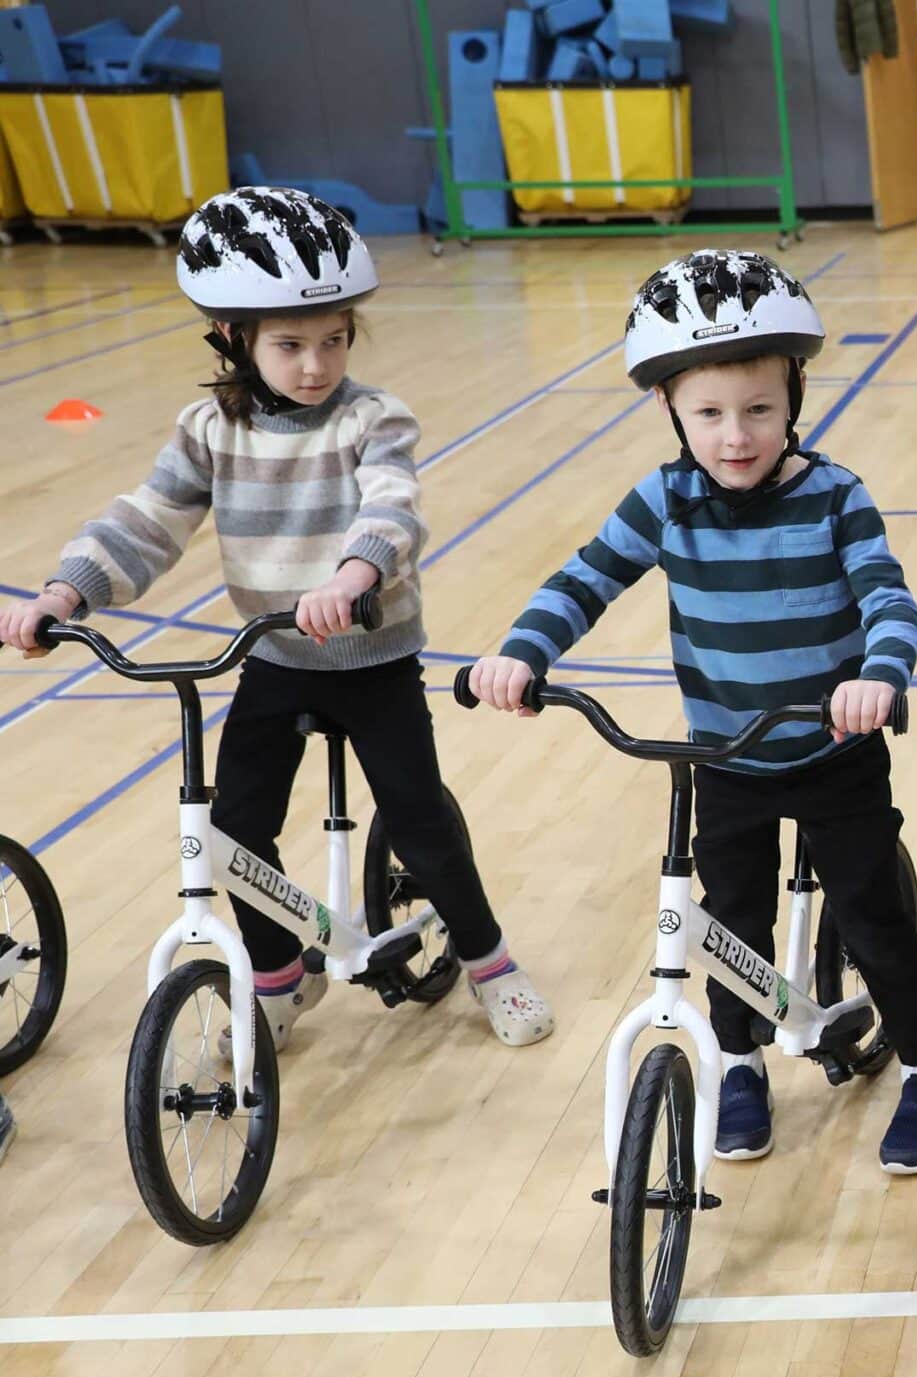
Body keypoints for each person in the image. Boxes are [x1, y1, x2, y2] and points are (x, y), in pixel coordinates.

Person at [0, 187, 551, 1053]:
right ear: (232, 337)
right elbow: (145, 523)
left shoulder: (372, 417)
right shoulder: (208, 429)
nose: (315, 365)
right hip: (276, 657)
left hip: (371, 660)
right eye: (290, 345)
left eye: (334, 341)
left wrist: (355, 573)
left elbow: (393, 506)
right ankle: (277, 972)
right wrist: (63, 595)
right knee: (233, 827)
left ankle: (490, 962)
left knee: (420, 820)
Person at [469, 250, 917, 1173]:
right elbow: (586, 577)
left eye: (759, 411)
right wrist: (523, 651)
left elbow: (889, 601)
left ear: (794, 401)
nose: (736, 435)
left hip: (835, 747)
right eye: (709, 414)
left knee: (874, 915)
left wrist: (880, 676)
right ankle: (739, 1062)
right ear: (670, 410)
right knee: (731, 925)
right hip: (725, 756)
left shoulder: (835, 496)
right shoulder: (664, 500)